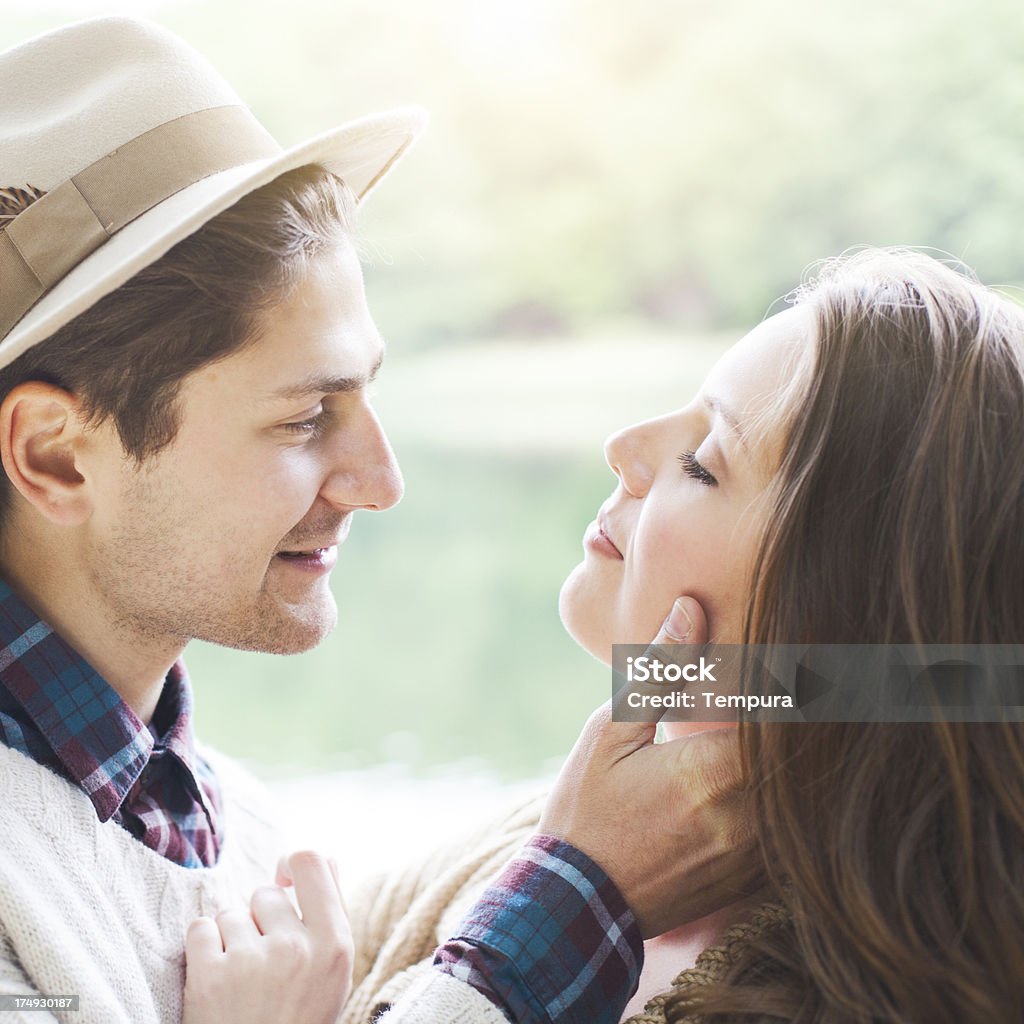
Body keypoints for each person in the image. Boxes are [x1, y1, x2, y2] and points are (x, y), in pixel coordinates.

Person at [0, 16, 753, 1024]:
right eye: (307, 416)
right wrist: (579, 897)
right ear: (54, 454)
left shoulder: (242, 832)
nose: (380, 479)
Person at [329, 248, 1024, 1023]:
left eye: (702, 462)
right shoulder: (543, 836)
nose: (623, 447)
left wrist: (564, 908)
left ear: (839, 611)